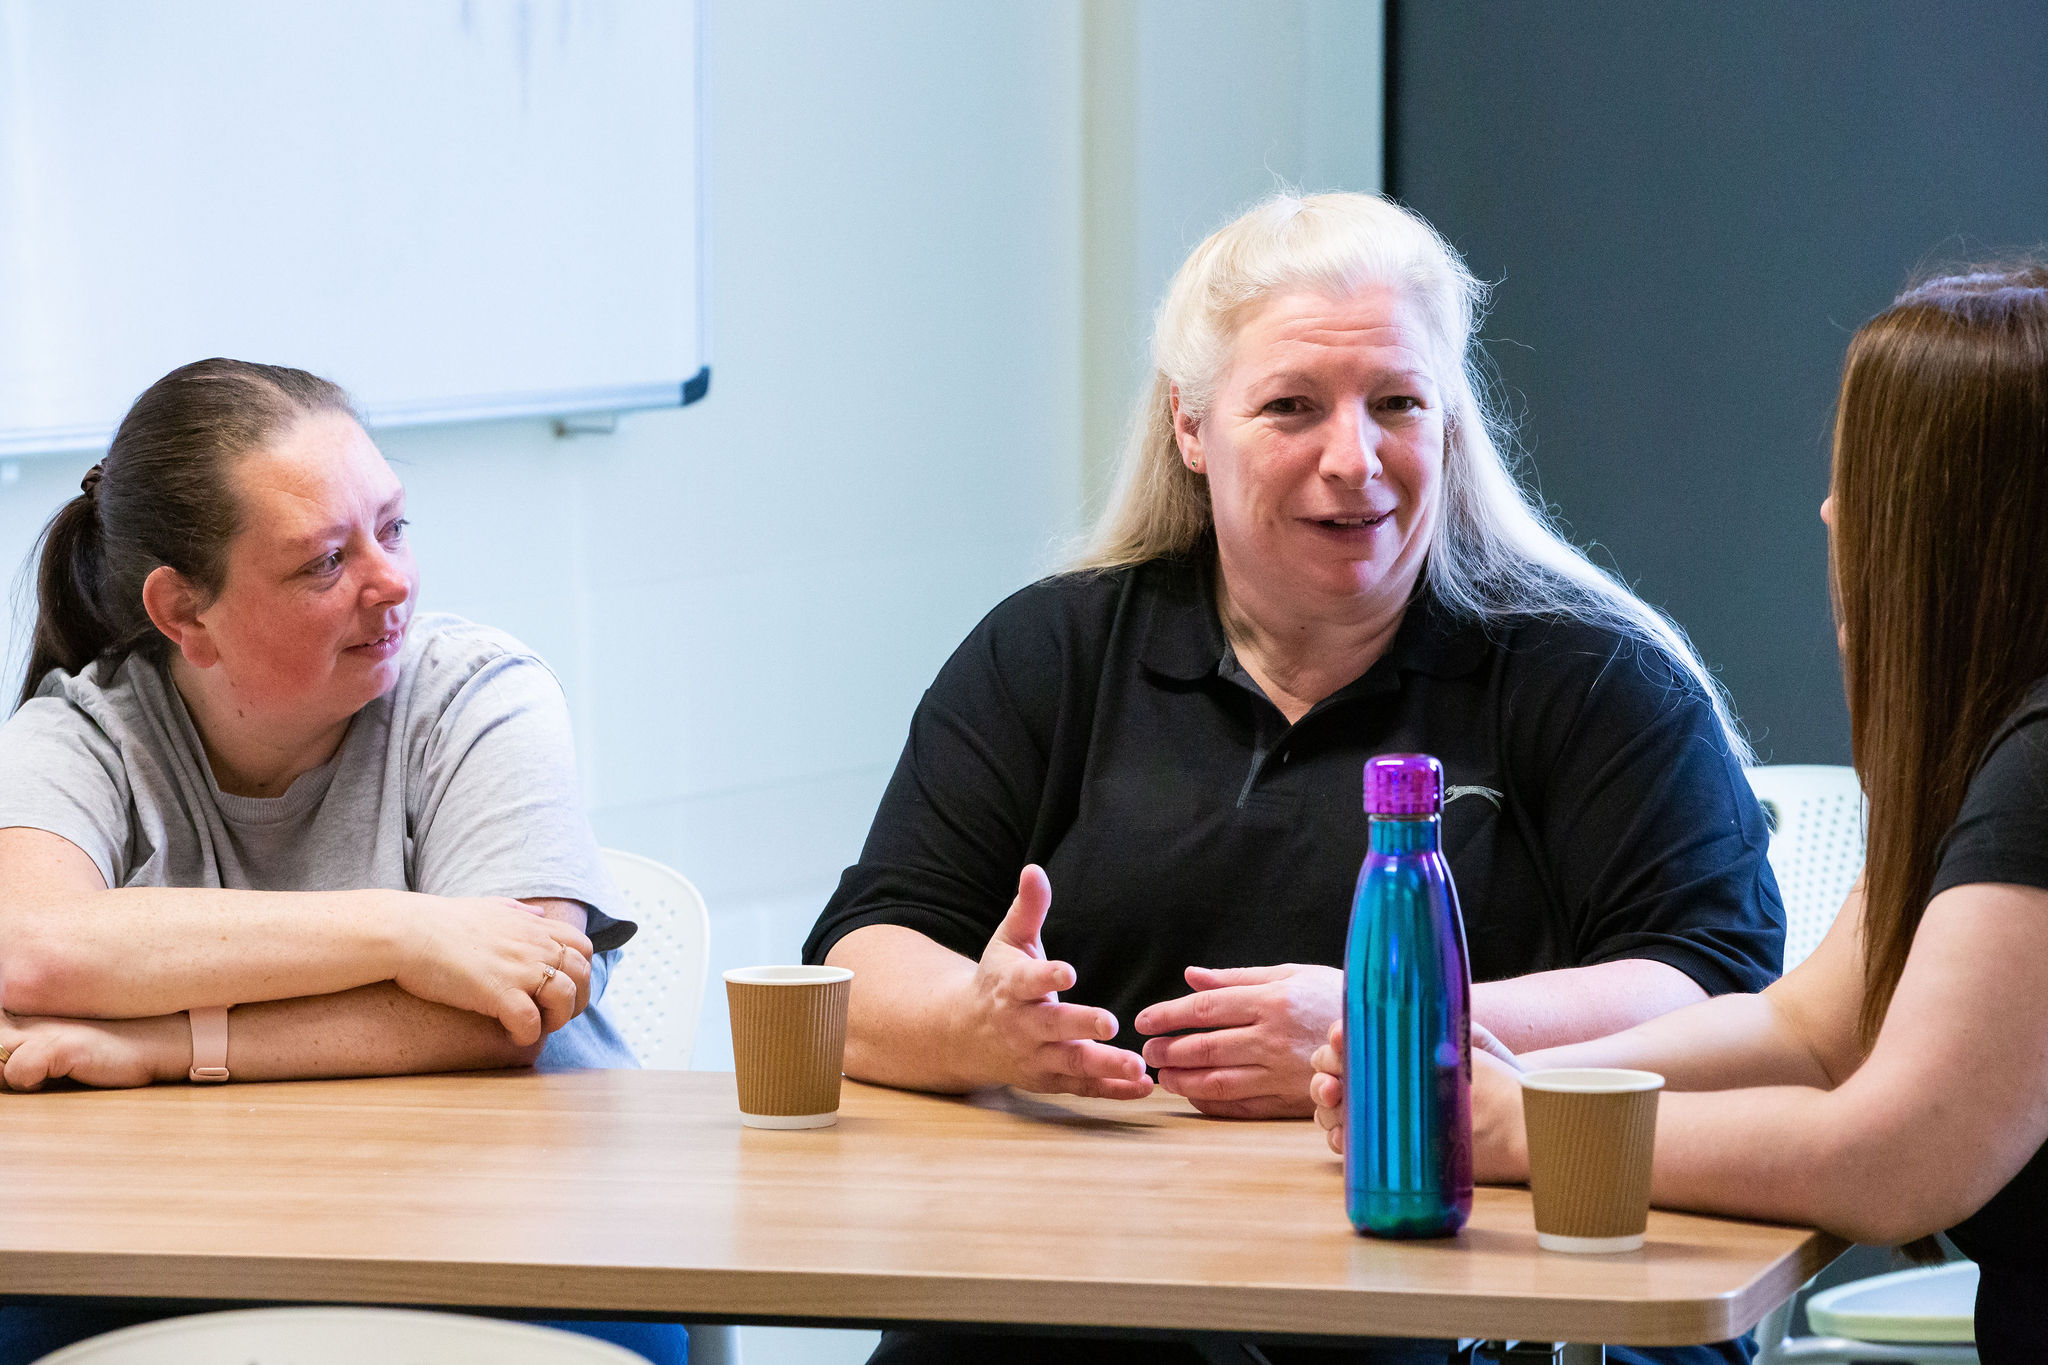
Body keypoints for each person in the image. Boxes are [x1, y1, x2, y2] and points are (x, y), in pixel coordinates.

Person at [804, 193, 1780, 1365]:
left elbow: (1713, 990)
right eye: (1291, 408)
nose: (1353, 460)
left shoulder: (1589, 677)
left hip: (1480, 1287)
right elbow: (861, 953)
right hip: (1092, 1286)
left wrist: (1388, 1027)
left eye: (1397, 405)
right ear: (1190, 427)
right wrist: (975, 1025)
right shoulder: (1051, 653)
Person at [1313, 266, 2048, 1362]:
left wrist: (1521, 1130)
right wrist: (1485, 1075)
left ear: (1947, 517)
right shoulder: (1996, 751)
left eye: (1859, 474)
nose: (1829, 510)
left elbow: (1894, 1155)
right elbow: (1803, 1033)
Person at [0, 358, 679, 1363]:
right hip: (185, 1252)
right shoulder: (85, 731)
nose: (393, 580)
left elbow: (511, 1012)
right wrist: (408, 930)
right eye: (325, 561)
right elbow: (35, 949)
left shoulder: (480, 692)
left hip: (515, 1242)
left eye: (394, 527)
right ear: (185, 612)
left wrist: (160, 1046)